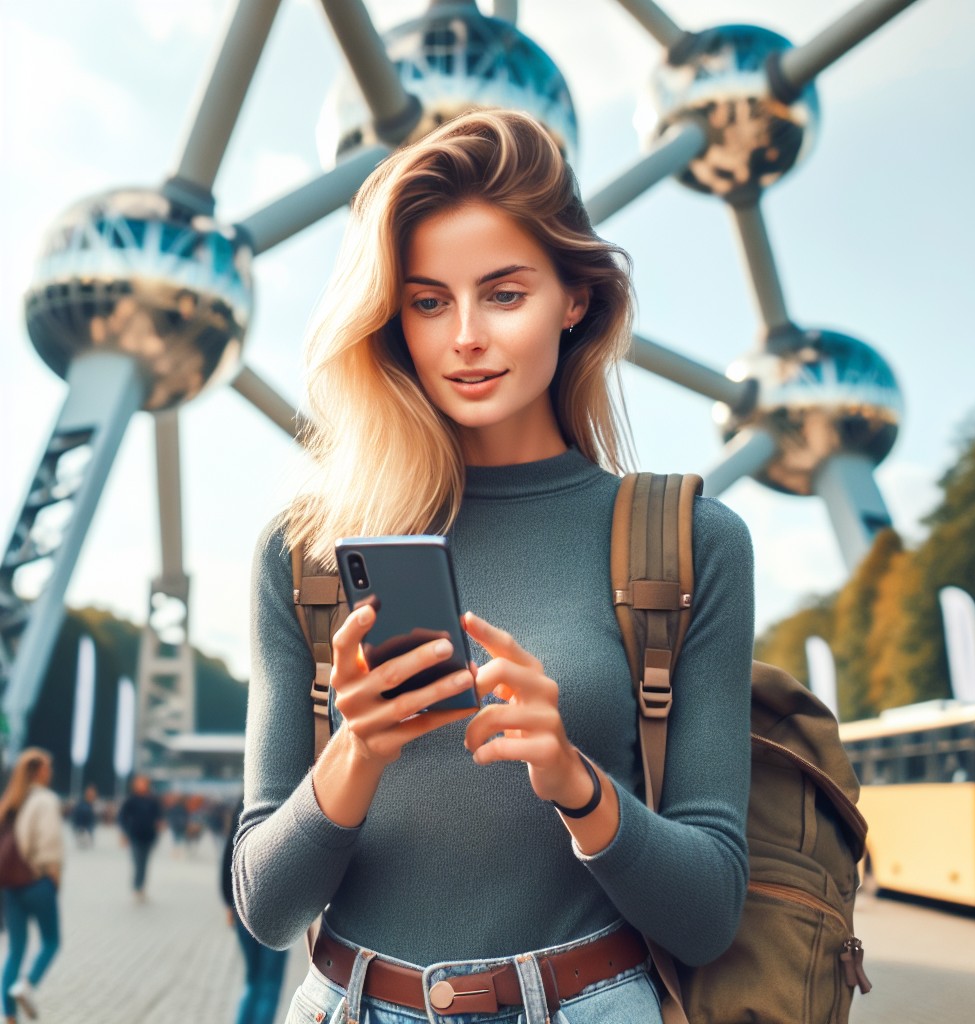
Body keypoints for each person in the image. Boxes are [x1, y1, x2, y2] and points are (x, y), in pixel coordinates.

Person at [234, 109, 754, 1024]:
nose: (464, 336)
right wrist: (356, 752)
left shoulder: (688, 541)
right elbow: (267, 908)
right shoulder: (306, 553)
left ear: (576, 297)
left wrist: (574, 779)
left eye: (504, 295)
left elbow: (709, 913)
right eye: (429, 301)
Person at [0, 748, 63, 1022]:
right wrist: (53, 874)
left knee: (16, 950)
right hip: (36, 881)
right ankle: (27, 987)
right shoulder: (45, 800)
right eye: (47, 767)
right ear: (38, 772)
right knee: (51, 941)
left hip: (9, 885)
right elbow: (48, 840)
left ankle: (9, 1016)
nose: (51, 772)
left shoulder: (10, 801)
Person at [221, 798, 288, 1024]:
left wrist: (228, 900)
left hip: (243, 903)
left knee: (252, 981)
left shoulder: (246, 799)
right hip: (278, 911)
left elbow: (229, 853)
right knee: (268, 985)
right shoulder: (288, 798)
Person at [116, 775, 163, 903]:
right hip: (135, 836)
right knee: (137, 862)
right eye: (139, 783)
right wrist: (124, 833)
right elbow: (122, 817)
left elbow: (158, 816)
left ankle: (142, 886)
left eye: (143, 783)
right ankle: (136, 887)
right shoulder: (131, 800)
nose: (141, 785)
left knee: (145, 863)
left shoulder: (152, 800)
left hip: (149, 836)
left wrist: (159, 826)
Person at [68, 784, 98, 849]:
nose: (93, 796)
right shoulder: (83, 807)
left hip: (85, 834)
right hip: (83, 835)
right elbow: (77, 822)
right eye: (91, 794)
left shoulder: (89, 806)